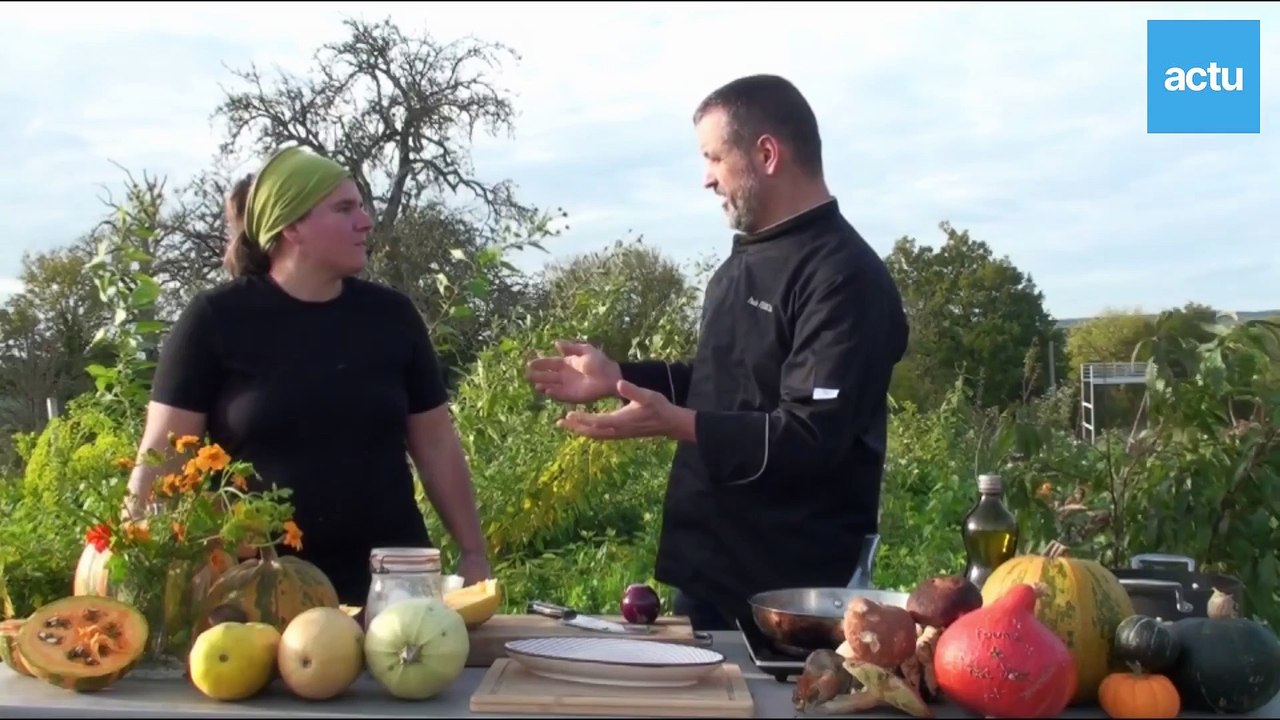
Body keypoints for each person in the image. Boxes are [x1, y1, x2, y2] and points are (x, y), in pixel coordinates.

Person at [525, 74, 909, 631]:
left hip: (793, 595)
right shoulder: (739, 265)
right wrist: (617, 378)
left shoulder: (844, 277)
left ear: (767, 154)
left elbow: (811, 436)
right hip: (709, 571)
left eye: (714, 158)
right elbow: (722, 386)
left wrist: (676, 423)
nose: (706, 179)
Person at [123, 145, 492, 605]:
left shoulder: (391, 317)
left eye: (360, 205)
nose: (365, 221)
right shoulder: (216, 320)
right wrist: (136, 576)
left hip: (395, 590)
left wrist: (474, 552)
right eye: (344, 208)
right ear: (292, 226)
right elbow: (161, 460)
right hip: (258, 595)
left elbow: (436, 443)